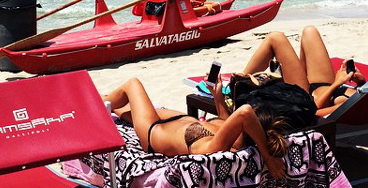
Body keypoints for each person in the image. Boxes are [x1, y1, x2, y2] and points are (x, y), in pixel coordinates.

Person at [102, 77, 287, 179]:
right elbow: (226, 120)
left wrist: (268, 157)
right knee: (119, 108)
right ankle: (101, 101)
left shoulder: (215, 147)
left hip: (154, 130)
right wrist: (217, 97)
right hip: (175, 118)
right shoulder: (230, 134)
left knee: (132, 85)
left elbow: (245, 113)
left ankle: (89, 105)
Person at [242, 25, 368, 116]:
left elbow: (313, 112)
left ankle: (240, 82)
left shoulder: (360, 102)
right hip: (324, 86)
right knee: (310, 31)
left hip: (304, 97)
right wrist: (360, 83)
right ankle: (285, 71)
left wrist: (337, 83)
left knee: (276, 38)